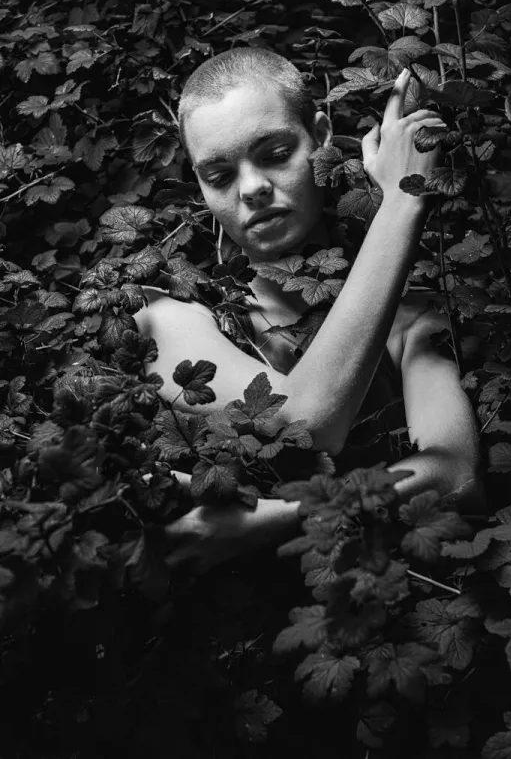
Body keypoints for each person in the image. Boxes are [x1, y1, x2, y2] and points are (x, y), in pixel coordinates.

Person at [134, 47, 482, 572]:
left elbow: (458, 476)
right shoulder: (165, 312)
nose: (252, 188)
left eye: (274, 153)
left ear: (320, 137)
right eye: (219, 175)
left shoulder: (411, 318)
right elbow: (306, 419)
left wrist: (276, 520)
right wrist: (402, 204)